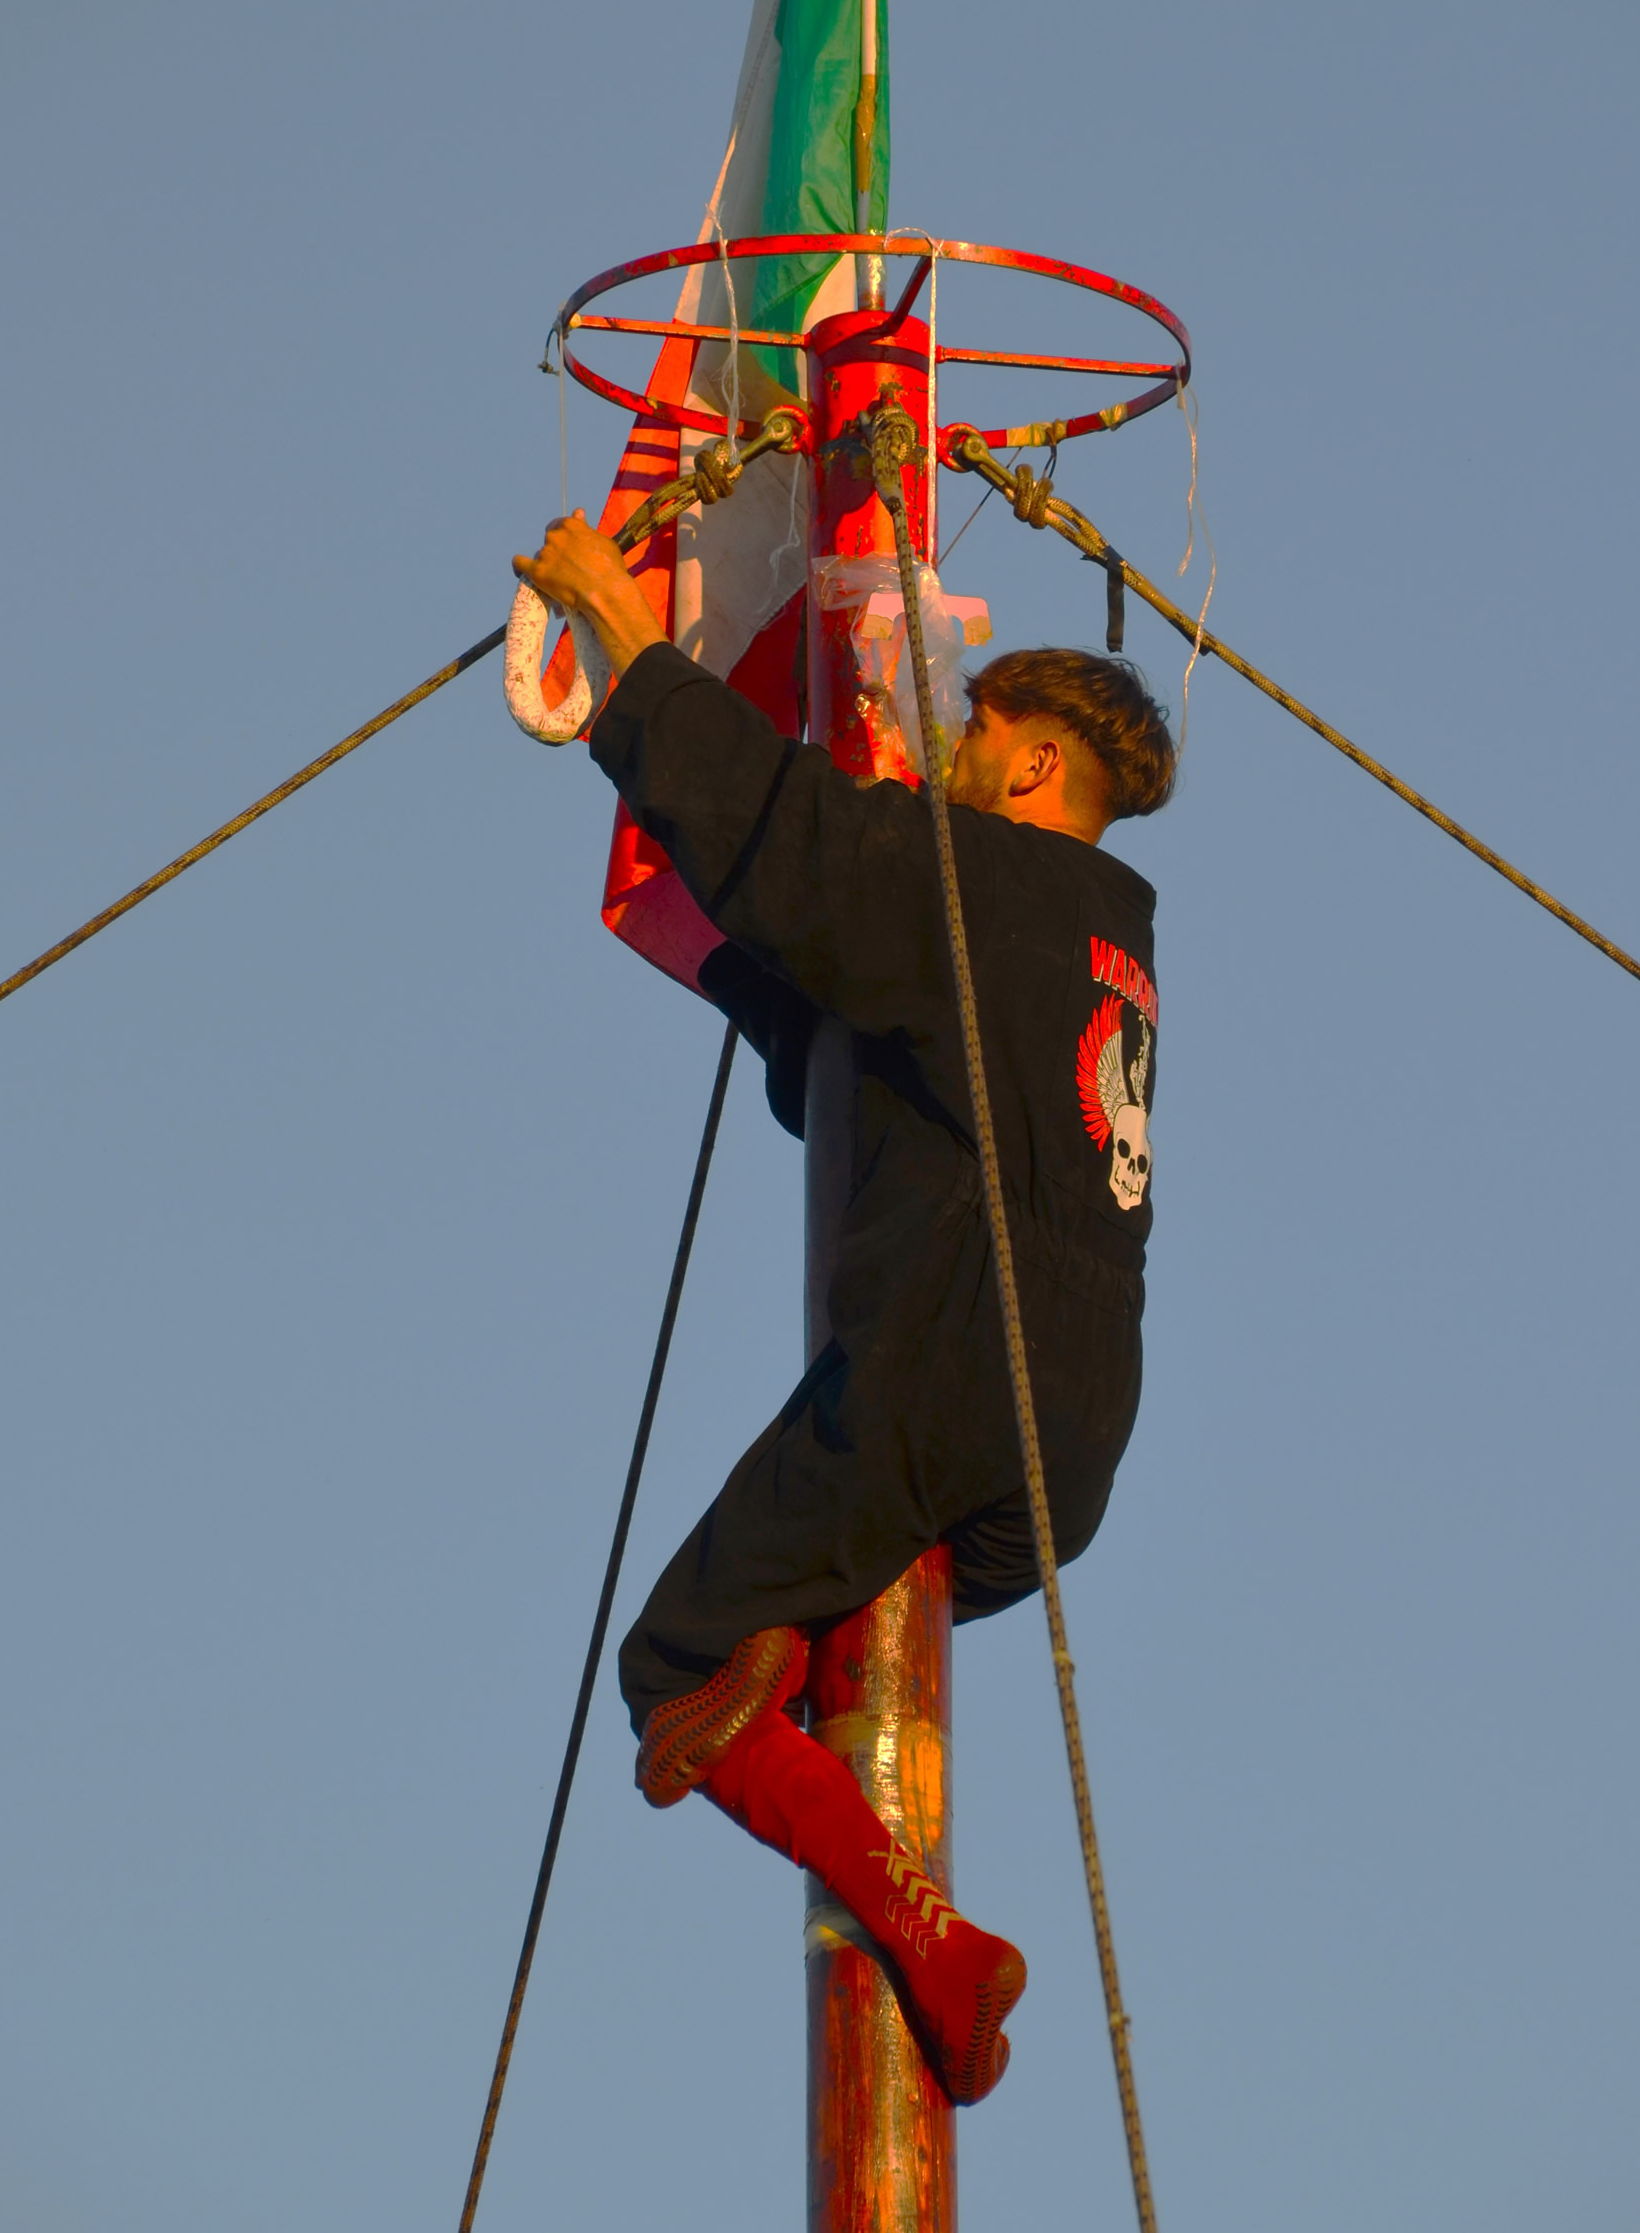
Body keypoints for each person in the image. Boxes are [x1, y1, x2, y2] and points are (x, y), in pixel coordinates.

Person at [515, 508, 1176, 2107]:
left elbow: (800, 850)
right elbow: (849, 1036)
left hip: (940, 1364)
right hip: (1073, 1443)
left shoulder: (981, 884)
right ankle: (911, 1919)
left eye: (975, 734)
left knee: (679, 1667)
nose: (950, 754)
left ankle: (931, 1944)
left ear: (1032, 768)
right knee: (796, 1638)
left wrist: (628, 648)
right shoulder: (1099, 943)